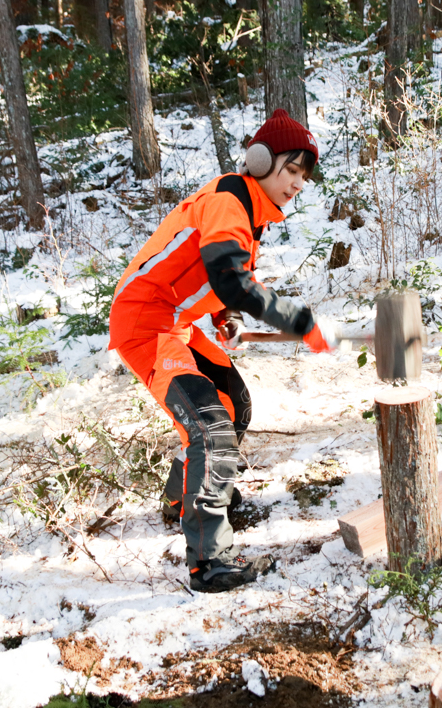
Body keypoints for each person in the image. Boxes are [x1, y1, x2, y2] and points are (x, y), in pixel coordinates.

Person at [108, 109, 338, 593]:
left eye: (304, 175)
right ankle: (208, 563)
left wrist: (224, 320)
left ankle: (181, 500)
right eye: (291, 169)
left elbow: (203, 273)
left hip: (175, 320)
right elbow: (229, 279)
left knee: (234, 406)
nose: (297, 183)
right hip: (145, 323)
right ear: (260, 160)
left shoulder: (249, 211)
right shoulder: (231, 201)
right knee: (210, 427)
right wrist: (299, 321)